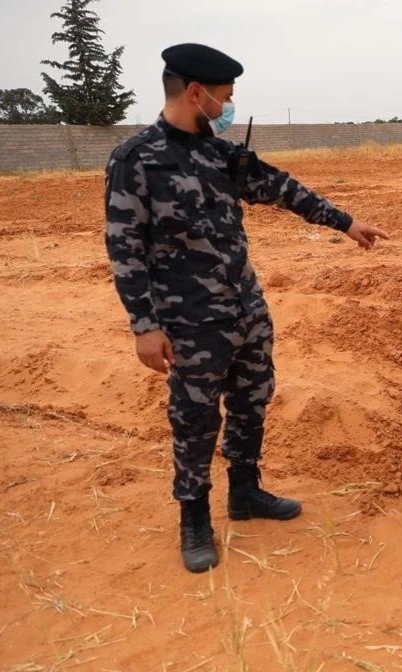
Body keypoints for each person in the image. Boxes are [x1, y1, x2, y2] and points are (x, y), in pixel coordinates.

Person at [103, 43, 386, 573]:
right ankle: (194, 519)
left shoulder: (220, 154)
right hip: (189, 322)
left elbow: (280, 188)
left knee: (253, 398)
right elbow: (124, 248)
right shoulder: (135, 160)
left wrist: (345, 222)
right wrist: (144, 326)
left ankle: (245, 492)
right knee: (194, 417)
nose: (228, 106)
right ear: (195, 93)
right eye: (224, 97)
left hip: (245, 308)